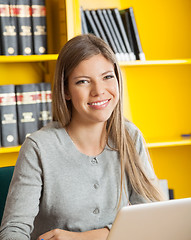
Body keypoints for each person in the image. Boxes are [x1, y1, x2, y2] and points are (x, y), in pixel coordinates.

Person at [0, 34, 164, 240]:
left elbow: (151, 218)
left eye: (107, 77)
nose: (99, 91)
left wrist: (84, 237)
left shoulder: (130, 136)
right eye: (83, 82)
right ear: (66, 90)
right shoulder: (39, 148)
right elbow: (13, 232)